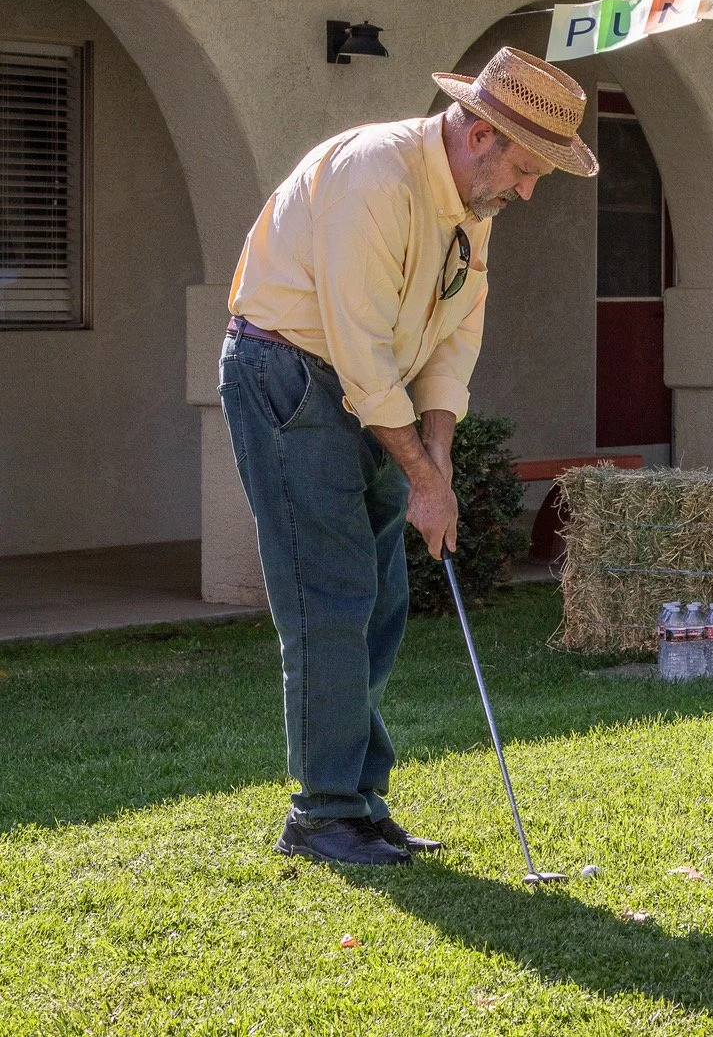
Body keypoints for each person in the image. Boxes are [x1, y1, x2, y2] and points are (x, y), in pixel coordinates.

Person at [219, 46, 598, 866]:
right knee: (333, 592)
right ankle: (321, 814)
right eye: (526, 169)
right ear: (478, 136)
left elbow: (455, 333)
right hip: (290, 373)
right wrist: (421, 479)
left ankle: (357, 800)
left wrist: (439, 453)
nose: (526, 191)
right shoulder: (374, 176)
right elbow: (358, 348)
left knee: (384, 594)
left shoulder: (471, 209)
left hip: (367, 389)